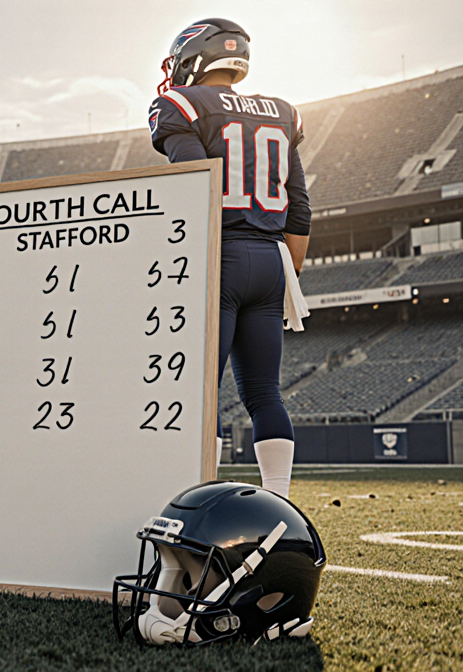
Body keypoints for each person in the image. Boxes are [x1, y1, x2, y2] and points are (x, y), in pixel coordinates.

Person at [149, 18, 310, 498]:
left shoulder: (180, 103)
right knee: (264, 393)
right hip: (272, 261)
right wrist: (287, 273)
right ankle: (279, 503)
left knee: (200, 394)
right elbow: (298, 205)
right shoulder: (283, 111)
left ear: (194, 55)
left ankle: (197, 500)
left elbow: (192, 189)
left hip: (217, 256)